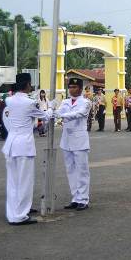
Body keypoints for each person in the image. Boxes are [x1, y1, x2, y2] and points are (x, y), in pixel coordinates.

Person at [2, 73, 53, 225]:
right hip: (23, 145)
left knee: (13, 182)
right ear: (27, 85)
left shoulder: (9, 100)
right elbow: (45, 116)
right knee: (24, 181)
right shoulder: (29, 102)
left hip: (11, 144)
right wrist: (52, 108)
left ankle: (12, 213)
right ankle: (20, 215)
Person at [54, 78, 91, 211]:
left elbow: (80, 114)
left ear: (80, 89)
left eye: (75, 87)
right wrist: (52, 112)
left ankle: (83, 199)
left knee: (82, 170)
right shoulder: (65, 102)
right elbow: (59, 112)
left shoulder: (86, 102)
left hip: (79, 140)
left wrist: (63, 116)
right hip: (66, 140)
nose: (72, 89)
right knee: (70, 170)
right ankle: (75, 198)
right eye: (70, 87)